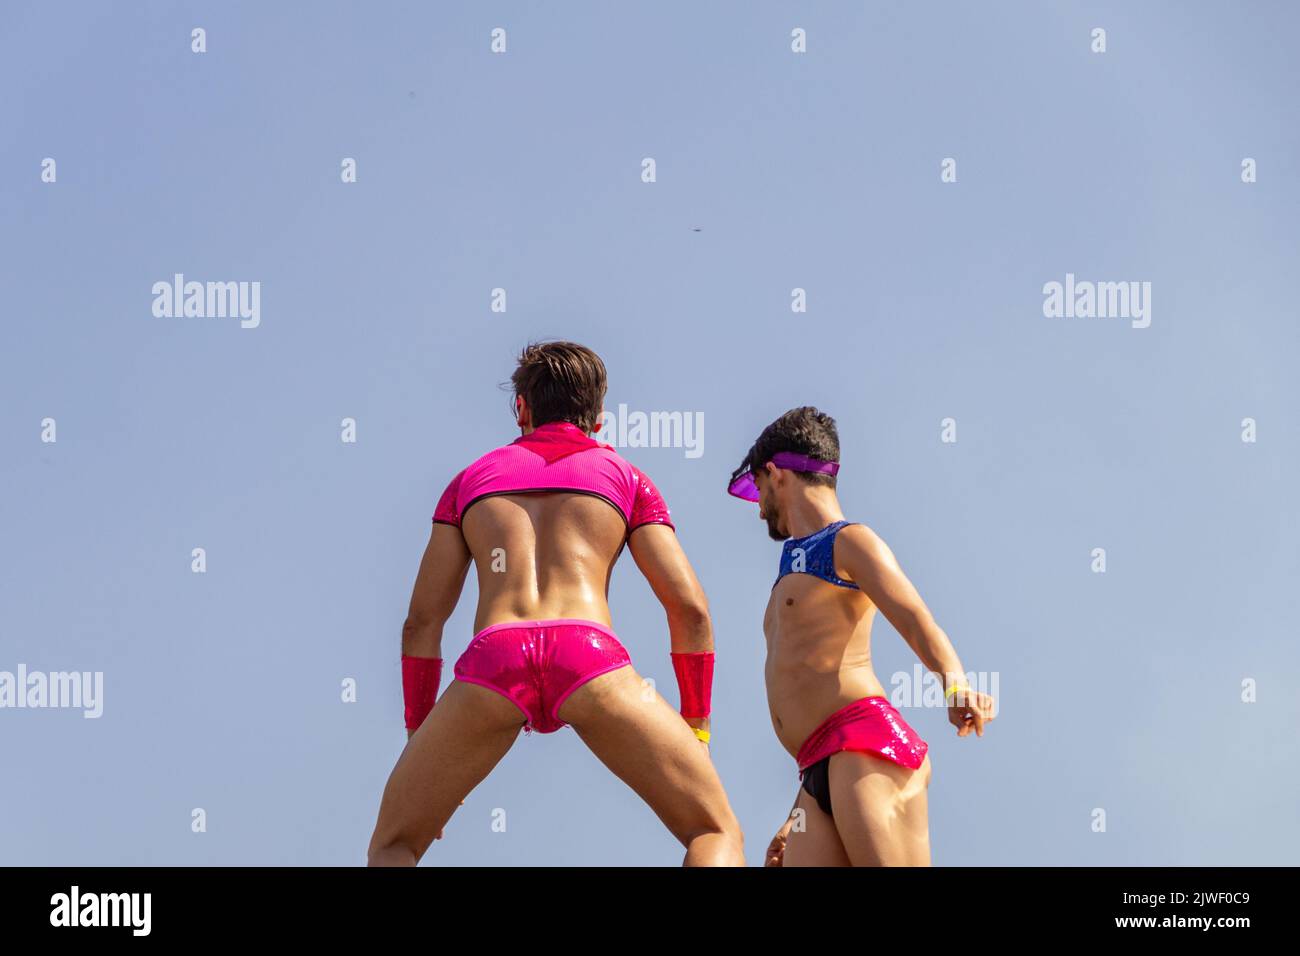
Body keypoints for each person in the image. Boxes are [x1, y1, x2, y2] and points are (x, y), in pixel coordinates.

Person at [367, 341, 744, 866]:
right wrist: (696, 728)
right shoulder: (627, 480)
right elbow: (690, 610)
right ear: (599, 416)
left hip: (493, 661)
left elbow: (422, 622)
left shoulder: (468, 483)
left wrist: (420, 734)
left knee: (395, 845)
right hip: (589, 658)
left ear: (520, 407)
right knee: (713, 831)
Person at [726, 407, 995, 866]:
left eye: (758, 490)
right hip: (815, 767)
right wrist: (795, 816)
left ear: (775, 474)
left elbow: (915, 618)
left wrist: (955, 683)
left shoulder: (848, 541)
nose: (758, 508)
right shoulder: (793, 563)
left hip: (863, 742)